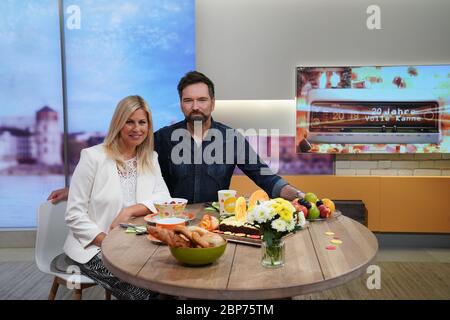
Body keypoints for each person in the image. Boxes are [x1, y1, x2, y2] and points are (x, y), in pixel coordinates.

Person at [48, 71, 305, 204]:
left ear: (212, 103)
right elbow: (122, 169)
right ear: (181, 105)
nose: (196, 106)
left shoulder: (231, 139)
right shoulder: (161, 138)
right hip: (170, 222)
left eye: (202, 100)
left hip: (214, 222)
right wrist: (76, 189)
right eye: (189, 100)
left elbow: (263, 175)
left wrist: (290, 191)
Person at [62, 95, 171, 300]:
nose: (136, 128)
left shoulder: (150, 158)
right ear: (118, 124)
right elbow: (74, 214)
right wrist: (108, 243)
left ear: (148, 126)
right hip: (92, 248)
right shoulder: (93, 157)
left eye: (142, 122)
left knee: (169, 284)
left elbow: (164, 197)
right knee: (142, 294)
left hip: (135, 245)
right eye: (129, 121)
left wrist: (130, 210)